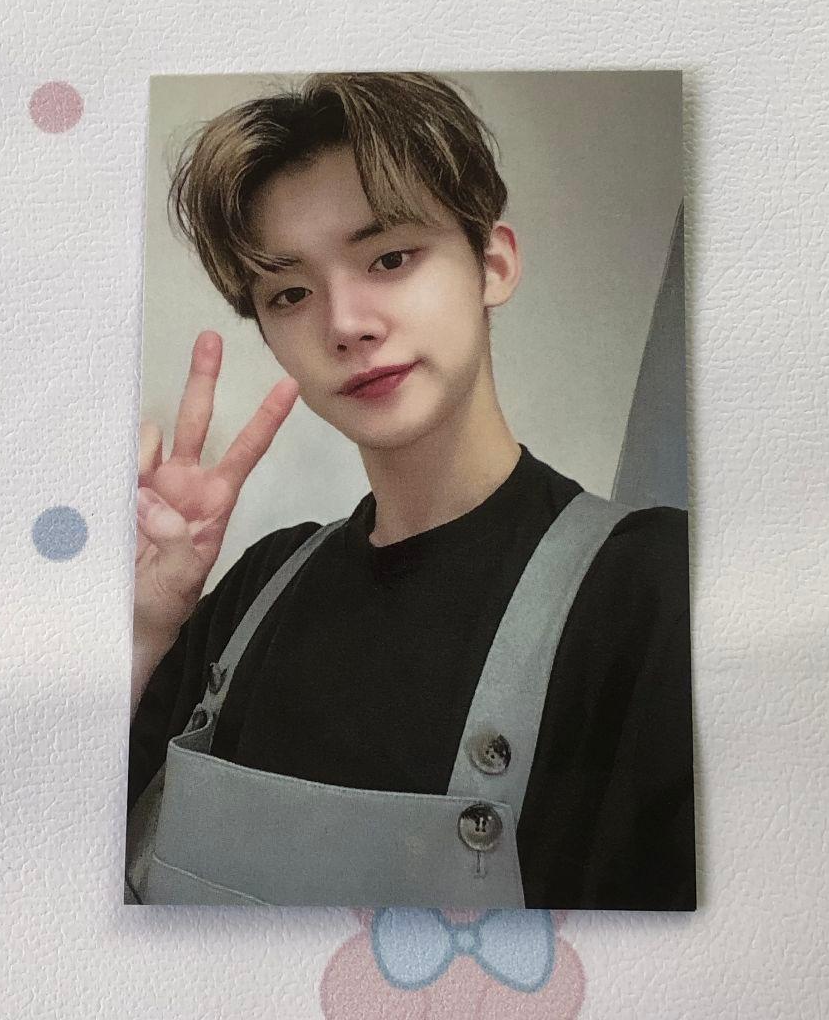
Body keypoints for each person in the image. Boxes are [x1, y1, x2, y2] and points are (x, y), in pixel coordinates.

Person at [126, 72, 695, 910]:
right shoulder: (257, 587)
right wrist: (145, 627)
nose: (345, 323)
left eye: (389, 258)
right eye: (290, 293)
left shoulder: (653, 591)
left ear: (493, 265)